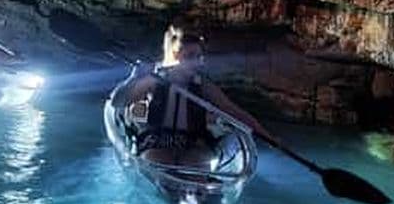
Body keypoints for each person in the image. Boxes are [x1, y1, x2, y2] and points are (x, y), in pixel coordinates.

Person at [111, 25, 276, 166]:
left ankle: (194, 193)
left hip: (193, 141)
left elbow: (233, 111)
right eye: (189, 56)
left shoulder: (203, 85)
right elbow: (118, 101)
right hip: (158, 139)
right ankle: (171, 186)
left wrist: (268, 137)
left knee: (195, 166)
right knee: (159, 159)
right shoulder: (155, 81)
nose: (196, 62)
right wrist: (133, 78)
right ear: (176, 56)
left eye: (199, 57)